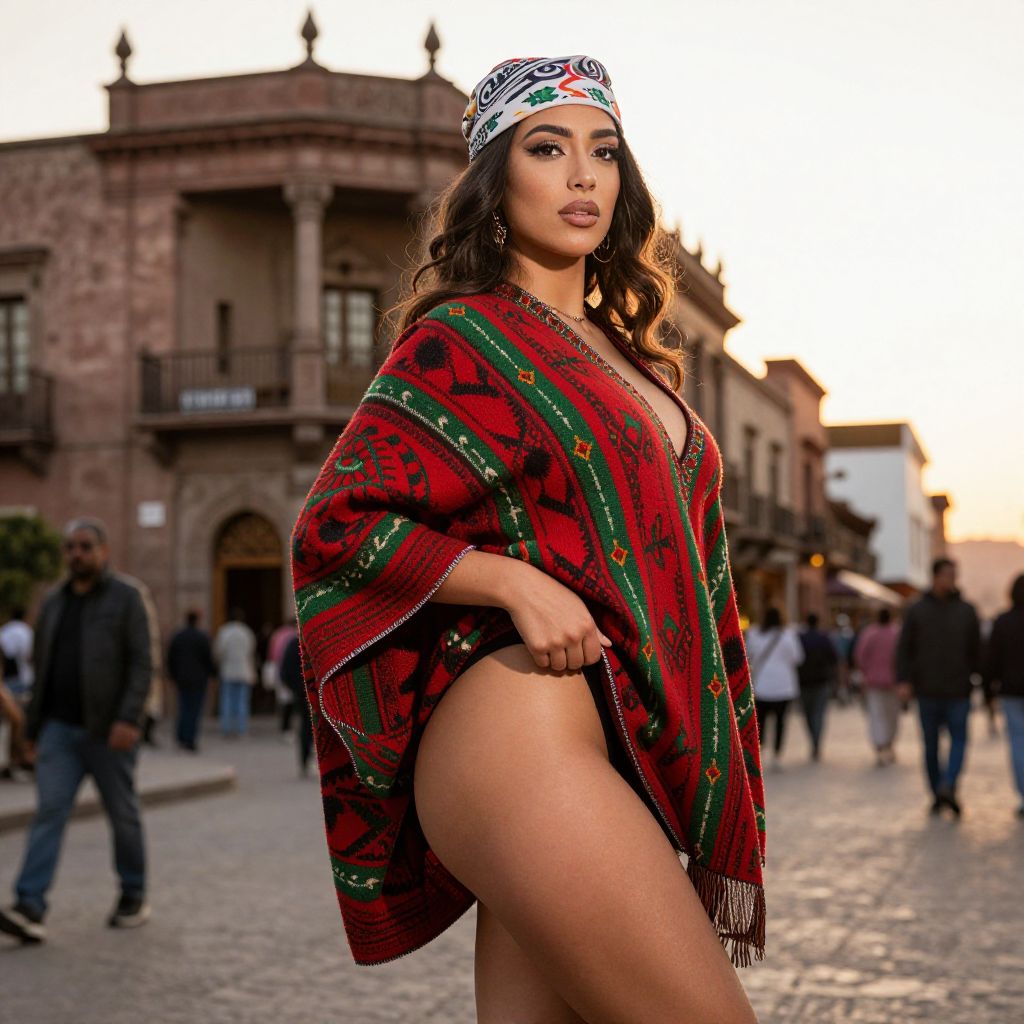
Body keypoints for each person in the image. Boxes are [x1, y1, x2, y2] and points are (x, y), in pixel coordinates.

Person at [290, 55, 763, 1022]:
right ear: (497, 180)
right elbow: (336, 520)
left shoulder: (635, 360)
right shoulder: (463, 338)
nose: (584, 175)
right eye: (548, 149)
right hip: (517, 738)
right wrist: (508, 580)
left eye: (604, 152)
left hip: (616, 753)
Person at [0, 518, 151, 944]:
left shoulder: (127, 597)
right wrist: (30, 728)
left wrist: (129, 719)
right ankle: (29, 904)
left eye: (85, 546)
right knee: (48, 812)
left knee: (122, 815)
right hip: (59, 731)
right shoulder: (53, 603)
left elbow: (143, 663)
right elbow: (43, 668)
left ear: (103, 551)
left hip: (109, 732)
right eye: (70, 547)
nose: (76, 554)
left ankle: (133, 893)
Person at [897, 557, 981, 817]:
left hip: (958, 689)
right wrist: (904, 681)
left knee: (959, 742)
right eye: (947, 575)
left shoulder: (967, 610)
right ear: (934, 577)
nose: (951, 580)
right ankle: (937, 792)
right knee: (931, 746)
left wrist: (978, 678)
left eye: (954, 575)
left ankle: (950, 784)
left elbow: (977, 650)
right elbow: (904, 648)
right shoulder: (917, 609)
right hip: (927, 689)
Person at [983, 573, 1024, 818]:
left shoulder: (1003, 621)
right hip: (1012, 691)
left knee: (1019, 743)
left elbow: (991, 660)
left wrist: (988, 691)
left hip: (1011, 691)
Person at [746, 607, 805, 767]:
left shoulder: (754, 633)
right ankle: (777, 754)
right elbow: (798, 658)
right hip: (784, 686)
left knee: (761, 721)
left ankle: (760, 751)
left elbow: (748, 655)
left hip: (761, 685)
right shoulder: (789, 635)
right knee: (780, 721)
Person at [854, 607, 902, 766]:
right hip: (894, 682)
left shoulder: (869, 634)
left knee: (877, 715)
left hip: (873, 681)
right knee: (892, 715)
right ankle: (888, 744)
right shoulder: (897, 633)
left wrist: (864, 673)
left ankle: (880, 746)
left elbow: (860, 657)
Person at [166, 610, 215, 752]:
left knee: (183, 707)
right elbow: (208, 658)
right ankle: (190, 739)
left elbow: (171, 657)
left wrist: (173, 674)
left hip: (182, 678)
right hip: (198, 679)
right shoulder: (202, 637)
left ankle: (181, 736)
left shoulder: (178, 636)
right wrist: (212, 673)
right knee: (194, 710)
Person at [797, 612, 837, 761]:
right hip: (821, 681)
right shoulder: (824, 638)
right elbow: (833, 658)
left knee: (808, 714)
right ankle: (816, 742)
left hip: (804, 682)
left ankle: (813, 740)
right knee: (818, 714)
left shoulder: (800, 638)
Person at [1, 606, 34, 778]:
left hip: (7, 681)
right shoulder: (25, 632)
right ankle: (20, 759)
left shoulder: (5, 631)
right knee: (19, 719)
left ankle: (15, 760)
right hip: (20, 681)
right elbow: (30, 656)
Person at [214, 609, 256, 737]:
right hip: (244, 670)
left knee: (227, 700)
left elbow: (218, 652)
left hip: (228, 670)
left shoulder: (224, 632)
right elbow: (251, 651)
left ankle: (226, 728)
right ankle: (241, 729)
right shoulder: (246, 632)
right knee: (242, 701)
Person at [278, 633, 311, 776]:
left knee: (306, 725)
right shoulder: (313, 639)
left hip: (302, 692)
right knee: (310, 726)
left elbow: (284, 671)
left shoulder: (294, 643)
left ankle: (305, 760)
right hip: (310, 691)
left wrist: (295, 688)